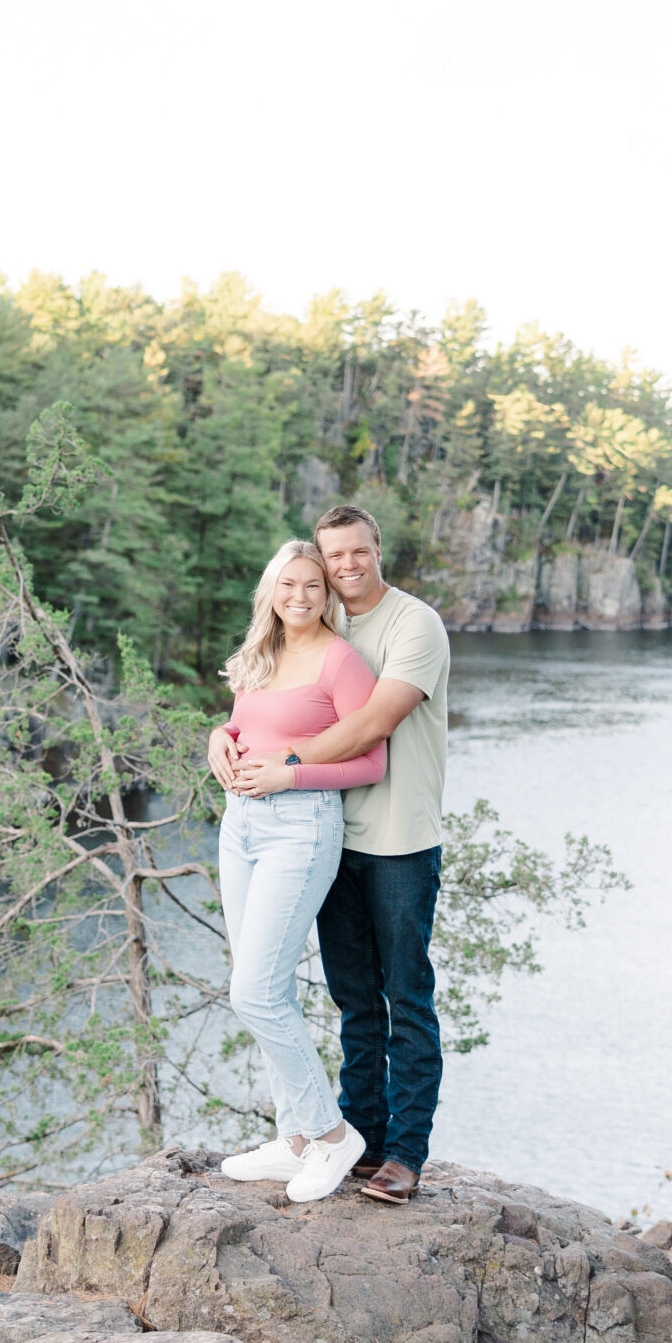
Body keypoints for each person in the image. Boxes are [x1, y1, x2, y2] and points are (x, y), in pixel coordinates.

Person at [211, 504, 450, 1205]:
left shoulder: (413, 624)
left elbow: (371, 726)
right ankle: (349, 1140)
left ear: (378, 548)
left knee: (405, 994)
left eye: (356, 553)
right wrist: (221, 739)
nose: (344, 566)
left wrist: (282, 764)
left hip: (399, 835)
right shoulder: (323, 622)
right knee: (352, 1000)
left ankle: (403, 1153)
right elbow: (266, 703)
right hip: (334, 834)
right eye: (331, 556)